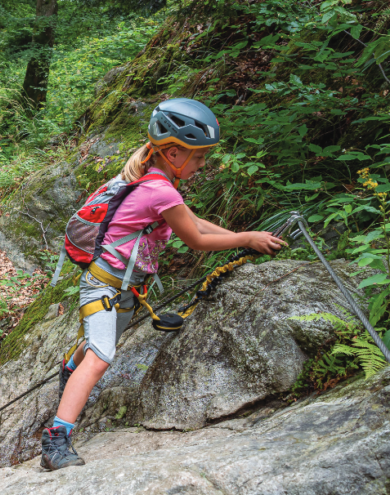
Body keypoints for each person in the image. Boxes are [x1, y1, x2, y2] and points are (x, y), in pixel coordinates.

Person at [42, 98, 287, 471]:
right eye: (199, 157)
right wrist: (245, 239)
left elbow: (193, 220)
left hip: (122, 286)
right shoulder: (161, 190)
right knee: (102, 356)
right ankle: (56, 440)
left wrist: (244, 235)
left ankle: (67, 369)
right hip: (104, 287)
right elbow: (197, 240)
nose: (203, 164)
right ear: (173, 152)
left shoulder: (156, 178)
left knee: (94, 347)